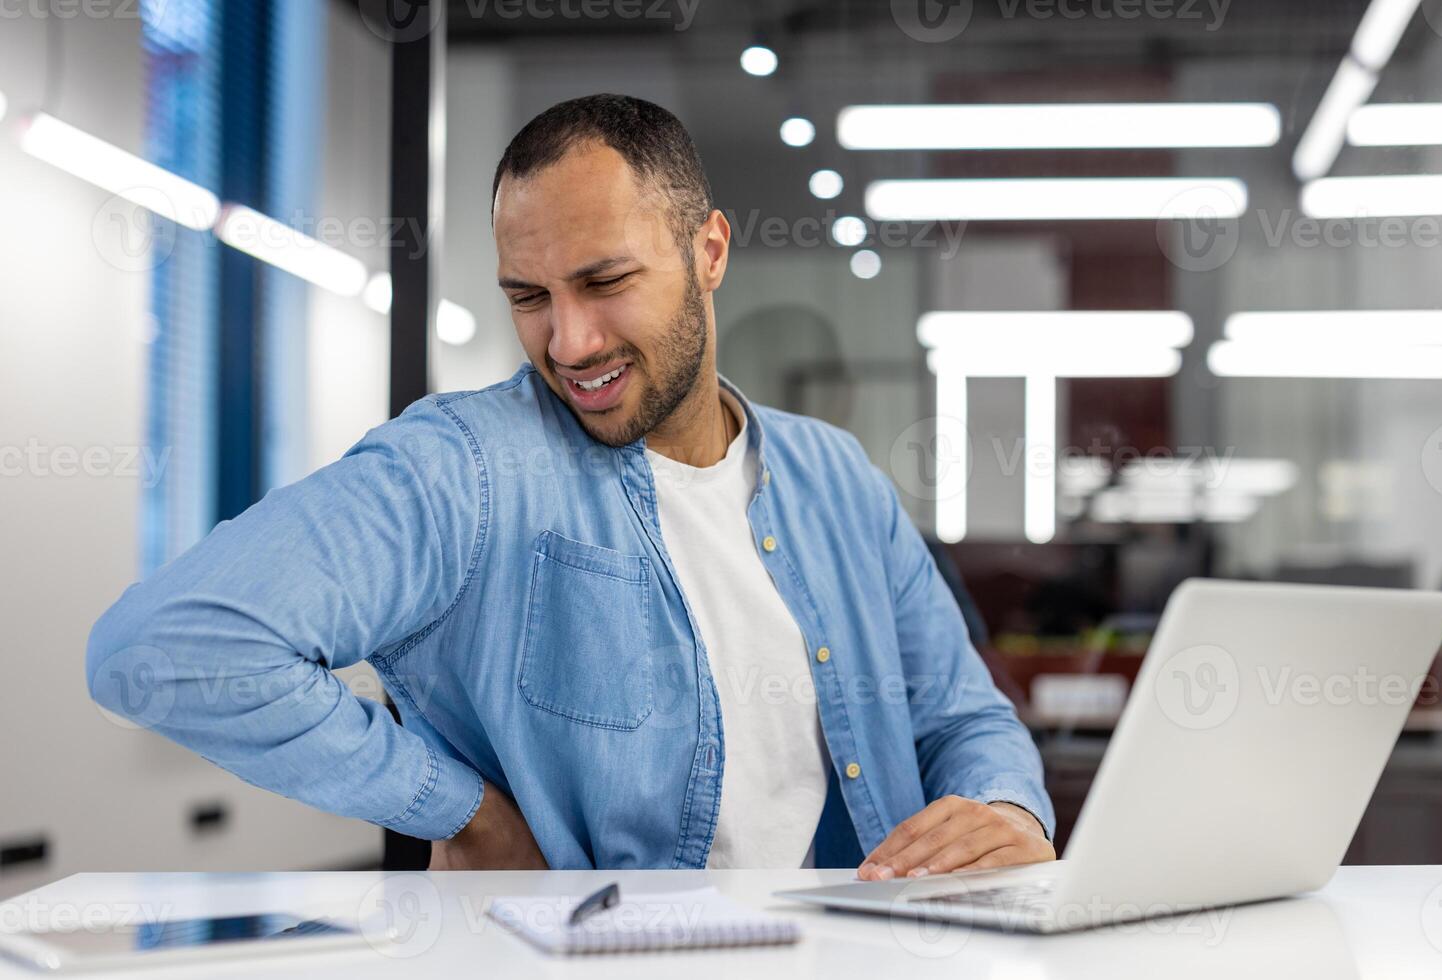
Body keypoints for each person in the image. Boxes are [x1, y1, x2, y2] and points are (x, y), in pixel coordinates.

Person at [88, 93, 1054, 880]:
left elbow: (958, 714)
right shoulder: (463, 468)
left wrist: (1003, 810)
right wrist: (460, 811)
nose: (569, 341)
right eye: (528, 296)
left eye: (604, 282)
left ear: (708, 251)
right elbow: (165, 648)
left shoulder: (836, 477)